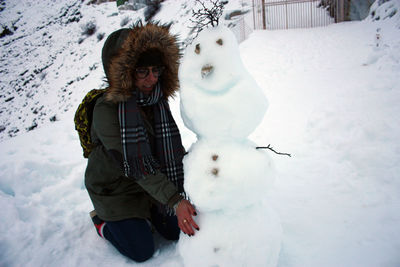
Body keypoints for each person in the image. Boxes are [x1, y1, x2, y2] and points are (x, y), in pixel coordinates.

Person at [84, 22, 199, 263]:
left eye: (156, 70)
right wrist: (174, 200)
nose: (152, 79)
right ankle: (102, 221)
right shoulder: (107, 110)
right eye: (142, 71)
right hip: (115, 189)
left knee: (174, 231)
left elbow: (170, 149)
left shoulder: (155, 100)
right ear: (124, 72)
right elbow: (136, 164)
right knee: (141, 250)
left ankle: (148, 213)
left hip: (149, 180)